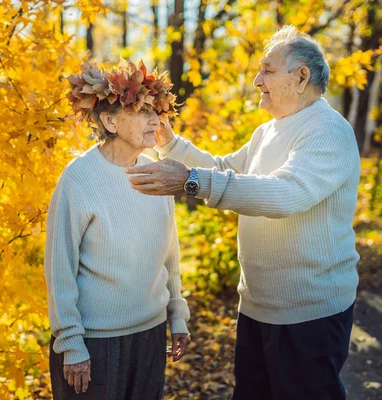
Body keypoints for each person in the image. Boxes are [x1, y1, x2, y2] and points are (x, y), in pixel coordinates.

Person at [126, 25, 360, 400]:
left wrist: (191, 182)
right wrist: (170, 145)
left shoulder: (328, 130)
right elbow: (225, 171)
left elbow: (287, 194)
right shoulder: (267, 132)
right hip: (257, 306)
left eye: (267, 70)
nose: (256, 81)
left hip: (308, 315)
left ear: (301, 76)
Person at [44, 59, 190, 400]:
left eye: (157, 111)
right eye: (143, 111)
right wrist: (71, 342)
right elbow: (59, 268)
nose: (156, 120)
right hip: (94, 342)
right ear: (109, 121)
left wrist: (177, 314)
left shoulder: (158, 172)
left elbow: (169, 252)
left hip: (150, 335)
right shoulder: (78, 178)